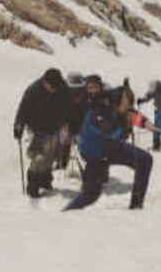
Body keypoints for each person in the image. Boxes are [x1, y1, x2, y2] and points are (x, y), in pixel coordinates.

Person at [64, 78, 154, 211]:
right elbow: (107, 131)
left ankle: (136, 207)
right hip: (95, 151)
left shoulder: (116, 102)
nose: (127, 108)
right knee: (91, 194)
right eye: (125, 104)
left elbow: (131, 113)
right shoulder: (99, 108)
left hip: (108, 147)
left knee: (144, 160)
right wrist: (122, 116)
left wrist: (144, 122)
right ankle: (65, 214)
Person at [13, 68, 69, 198]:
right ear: (45, 82)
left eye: (57, 86)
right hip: (38, 129)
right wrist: (18, 125)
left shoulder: (61, 88)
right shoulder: (33, 91)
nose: (55, 89)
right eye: (52, 87)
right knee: (39, 158)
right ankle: (33, 186)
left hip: (54, 127)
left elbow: (67, 104)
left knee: (49, 157)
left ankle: (45, 181)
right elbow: (23, 110)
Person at [56, 72, 89, 171]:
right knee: (64, 138)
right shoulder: (61, 95)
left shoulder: (87, 95)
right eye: (73, 89)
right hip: (66, 121)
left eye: (79, 89)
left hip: (81, 121)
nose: (76, 93)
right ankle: (61, 162)